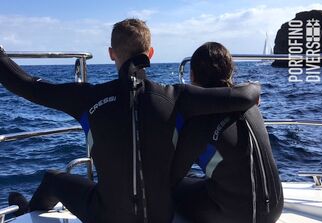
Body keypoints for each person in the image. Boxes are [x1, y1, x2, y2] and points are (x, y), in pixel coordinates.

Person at [0, 20, 260, 223]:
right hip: (161, 217)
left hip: (106, 216)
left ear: (111, 54)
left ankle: (28, 213)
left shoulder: (87, 98)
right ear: (151, 53)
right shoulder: (177, 97)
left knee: (53, 179)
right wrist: (254, 89)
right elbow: (242, 95)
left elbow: (28, 86)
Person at [171, 42, 283, 223]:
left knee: (176, 187)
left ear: (192, 75)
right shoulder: (250, 103)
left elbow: (174, 172)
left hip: (234, 216)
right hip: (275, 208)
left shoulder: (199, 119)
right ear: (231, 72)